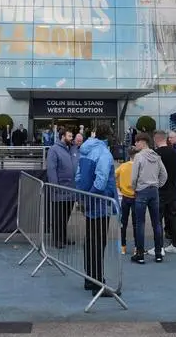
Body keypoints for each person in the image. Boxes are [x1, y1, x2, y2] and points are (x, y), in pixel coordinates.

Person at [75, 123, 117, 296]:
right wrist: (92, 197)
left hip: (89, 200)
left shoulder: (85, 150)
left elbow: (78, 175)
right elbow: (100, 181)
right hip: (100, 203)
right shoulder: (104, 154)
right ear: (107, 136)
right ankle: (99, 283)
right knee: (99, 242)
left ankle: (89, 279)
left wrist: (83, 197)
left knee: (91, 241)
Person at [129, 133, 167, 264]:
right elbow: (164, 174)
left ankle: (140, 255)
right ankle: (158, 253)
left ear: (143, 142)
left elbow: (134, 177)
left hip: (141, 191)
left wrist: (134, 188)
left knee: (140, 223)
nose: (135, 144)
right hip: (154, 190)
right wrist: (157, 184)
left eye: (137, 142)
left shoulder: (138, 157)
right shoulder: (156, 156)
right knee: (156, 223)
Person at [45, 129, 76, 249]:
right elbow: (51, 169)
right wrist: (55, 186)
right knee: (58, 217)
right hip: (60, 190)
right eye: (69, 135)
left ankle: (63, 237)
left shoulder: (70, 148)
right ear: (63, 136)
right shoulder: (54, 150)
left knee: (66, 216)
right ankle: (56, 239)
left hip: (70, 190)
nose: (71, 138)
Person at [153, 130, 176, 254]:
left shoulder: (156, 154)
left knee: (158, 219)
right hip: (172, 188)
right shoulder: (175, 152)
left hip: (160, 189)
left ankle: (159, 248)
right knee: (172, 216)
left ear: (156, 139)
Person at [115, 147, 136, 255]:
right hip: (136, 197)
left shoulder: (123, 166)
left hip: (125, 196)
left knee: (123, 222)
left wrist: (118, 186)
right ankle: (137, 246)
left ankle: (123, 246)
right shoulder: (139, 167)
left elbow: (114, 175)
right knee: (137, 223)